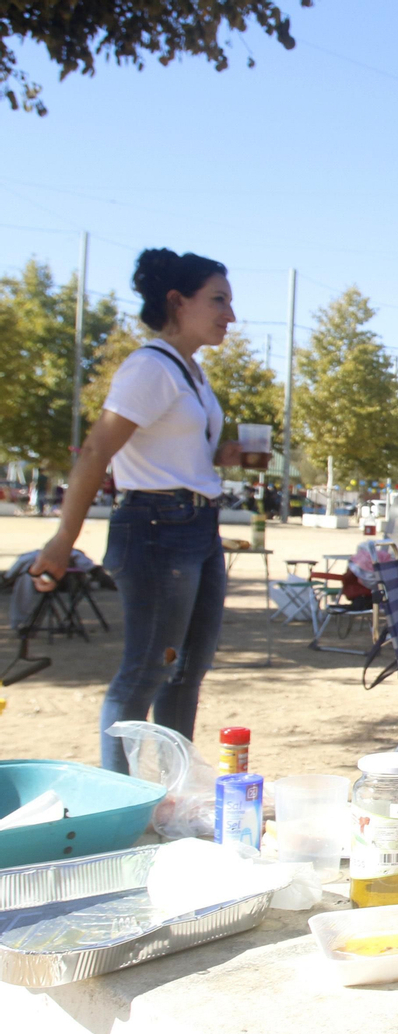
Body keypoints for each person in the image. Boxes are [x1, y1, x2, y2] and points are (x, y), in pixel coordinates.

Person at [28, 249, 240, 773]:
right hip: (154, 529)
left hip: (196, 525)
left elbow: (167, 450)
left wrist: (218, 456)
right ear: (177, 301)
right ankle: (119, 797)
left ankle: (169, 792)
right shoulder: (151, 366)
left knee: (185, 669)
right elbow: (99, 450)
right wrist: (62, 541)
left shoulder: (191, 371)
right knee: (146, 670)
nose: (229, 316)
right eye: (218, 301)